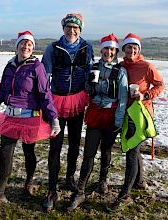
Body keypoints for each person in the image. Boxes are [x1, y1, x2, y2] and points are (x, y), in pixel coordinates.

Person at [0, 31, 60, 217]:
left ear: (33, 48)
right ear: (17, 46)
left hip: (29, 118)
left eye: (29, 45)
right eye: (23, 44)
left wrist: (53, 118)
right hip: (10, 117)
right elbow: (2, 92)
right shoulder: (9, 66)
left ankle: (29, 182)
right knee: (5, 156)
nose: (26, 47)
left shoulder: (36, 67)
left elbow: (44, 95)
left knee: (28, 152)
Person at [67, 33, 128, 211]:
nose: (109, 52)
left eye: (112, 49)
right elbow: (87, 90)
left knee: (106, 150)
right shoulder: (93, 67)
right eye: (106, 49)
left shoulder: (120, 72)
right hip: (94, 113)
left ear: (116, 51)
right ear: (101, 50)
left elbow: (123, 98)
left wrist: (118, 120)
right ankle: (80, 191)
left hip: (111, 115)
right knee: (89, 153)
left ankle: (103, 180)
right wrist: (90, 84)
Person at [41, 13, 94, 210]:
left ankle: (70, 176)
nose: (72, 31)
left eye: (76, 28)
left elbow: (89, 72)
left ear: (80, 30)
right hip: (56, 101)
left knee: (74, 143)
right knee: (55, 145)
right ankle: (51, 188)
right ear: (63, 28)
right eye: (69, 27)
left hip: (77, 100)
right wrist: (44, 101)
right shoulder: (52, 48)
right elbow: (45, 76)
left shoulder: (87, 47)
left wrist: (92, 90)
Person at [112, 33, 164, 208]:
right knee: (133, 148)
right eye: (128, 47)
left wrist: (145, 95)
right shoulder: (120, 66)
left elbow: (160, 85)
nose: (132, 50)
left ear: (138, 50)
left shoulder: (147, 66)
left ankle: (125, 194)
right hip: (124, 112)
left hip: (139, 113)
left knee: (131, 151)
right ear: (124, 49)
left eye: (135, 48)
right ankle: (139, 182)